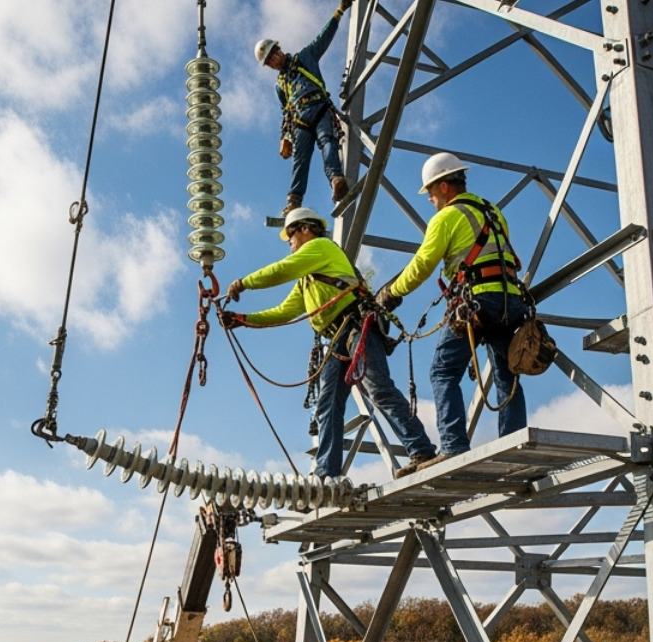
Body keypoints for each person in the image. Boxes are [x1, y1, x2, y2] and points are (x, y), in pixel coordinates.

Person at [222, 207, 437, 480]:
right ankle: (326, 475)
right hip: (337, 339)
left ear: (305, 229)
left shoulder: (321, 247)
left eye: (290, 234)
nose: (289, 242)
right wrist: (243, 319)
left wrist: (244, 283)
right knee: (328, 405)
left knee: (378, 389)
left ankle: (421, 450)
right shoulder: (307, 279)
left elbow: (281, 269)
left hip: (356, 327)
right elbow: (285, 311)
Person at [374, 152, 527, 464]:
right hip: (511, 299)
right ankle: (514, 447)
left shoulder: (446, 217)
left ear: (444, 186)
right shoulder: (492, 211)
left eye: (430, 192)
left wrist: (391, 292)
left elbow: (422, 265)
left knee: (443, 371)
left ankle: (454, 448)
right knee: (506, 374)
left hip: (477, 300)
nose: (430, 199)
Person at [255, 0, 354, 214]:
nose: (274, 60)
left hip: (319, 107)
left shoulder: (305, 57)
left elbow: (323, 37)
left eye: (274, 54)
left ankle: (336, 179)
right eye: (269, 61)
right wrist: (285, 137)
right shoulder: (280, 85)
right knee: (300, 159)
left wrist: (339, 11)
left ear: (280, 50)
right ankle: (294, 200)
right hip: (300, 120)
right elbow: (286, 112)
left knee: (327, 141)